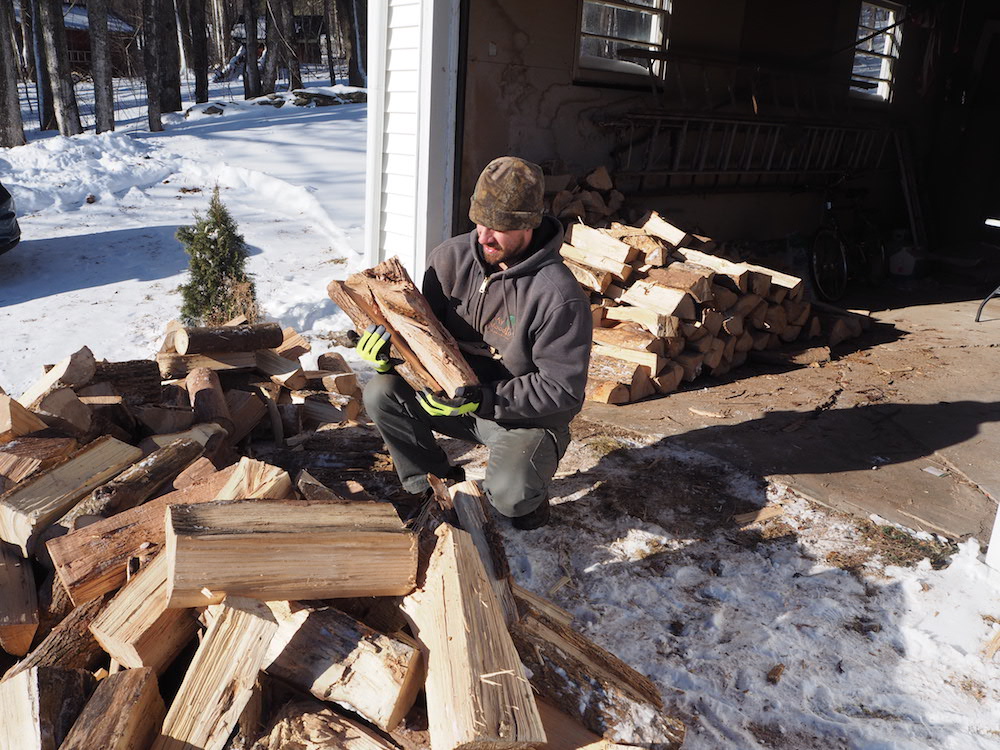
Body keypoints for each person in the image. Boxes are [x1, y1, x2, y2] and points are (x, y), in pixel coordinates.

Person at [358, 156, 592, 529]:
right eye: (480, 222)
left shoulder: (558, 296)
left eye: (499, 228)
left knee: (510, 497)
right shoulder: (449, 258)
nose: (483, 237)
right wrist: (391, 356)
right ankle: (430, 484)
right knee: (381, 392)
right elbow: (424, 335)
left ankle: (528, 498)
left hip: (523, 419)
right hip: (453, 403)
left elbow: (562, 390)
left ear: (528, 224)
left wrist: (483, 397)